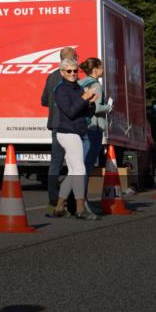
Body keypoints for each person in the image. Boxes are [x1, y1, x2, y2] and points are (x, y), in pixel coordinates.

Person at [50, 58, 100, 220]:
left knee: (73, 172)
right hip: (67, 132)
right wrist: (84, 98)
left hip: (77, 132)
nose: (72, 74)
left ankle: (59, 207)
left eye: (75, 71)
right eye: (69, 71)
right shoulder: (61, 90)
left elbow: (85, 113)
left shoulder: (77, 87)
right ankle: (80, 209)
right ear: (62, 72)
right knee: (80, 170)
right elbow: (70, 112)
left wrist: (91, 104)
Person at [42, 46, 78, 212]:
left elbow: (44, 100)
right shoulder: (71, 79)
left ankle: (53, 198)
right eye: (75, 58)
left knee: (55, 163)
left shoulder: (51, 77)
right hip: (68, 125)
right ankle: (72, 202)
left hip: (55, 124)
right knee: (74, 164)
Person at [78, 57, 113, 197]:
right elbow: (96, 108)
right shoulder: (96, 85)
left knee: (81, 164)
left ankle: (76, 197)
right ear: (95, 70)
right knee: (87, 164)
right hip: (94, 127)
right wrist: (109, 107)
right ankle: (81, 198)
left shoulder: (81, 83)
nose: (103, 70)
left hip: (83, 126)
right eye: (102, 67)